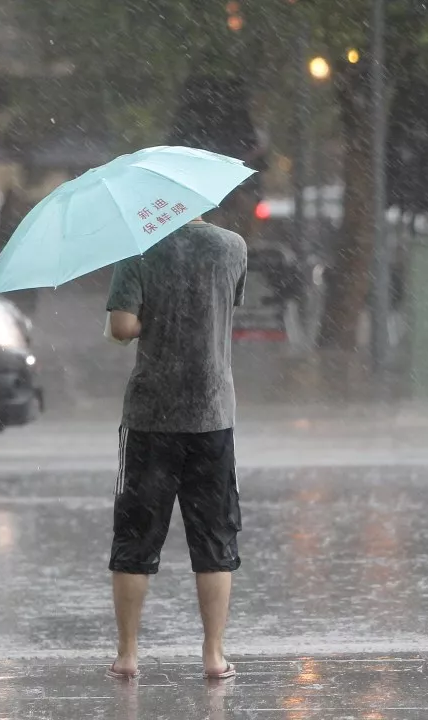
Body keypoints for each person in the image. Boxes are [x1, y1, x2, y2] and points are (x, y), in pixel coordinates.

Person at [103, 214, 247, 681]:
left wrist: (138, 321)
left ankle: (127, 655)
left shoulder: (138, 250)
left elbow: (123, 326)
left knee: (136, 537)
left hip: (151, 417)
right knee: (214, 537)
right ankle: (214, 654)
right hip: (212, 413)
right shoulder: (232, 247)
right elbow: (222, 309)